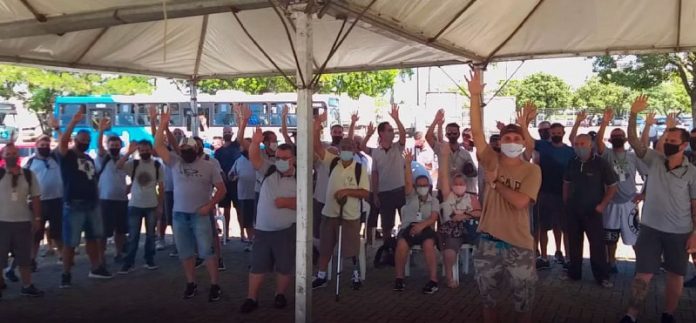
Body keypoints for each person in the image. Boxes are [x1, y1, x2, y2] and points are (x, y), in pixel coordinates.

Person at [468, 69, 541, 323]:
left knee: (523, 304)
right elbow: (477, 133)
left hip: (519, 246)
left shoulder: (532, 170)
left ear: (522, 143)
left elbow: (520, 202)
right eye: (505, 138)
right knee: (488, 301)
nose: (510, 141)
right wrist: (474, 97)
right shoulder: (492, 158)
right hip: (487, 242)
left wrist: (496, 182)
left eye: (515, 138)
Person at [621, 95, 696, 323]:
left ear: (684, 145)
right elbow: (634, 141)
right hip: (650, 229)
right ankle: (631, 314)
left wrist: (694, 234)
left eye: (673, 139)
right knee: (642, 274)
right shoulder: (654, 159)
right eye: (667, 138)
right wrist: (633, 114)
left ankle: (668, 313)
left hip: (680, 232)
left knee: (676, 274)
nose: (668, 142)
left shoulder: (692, 172)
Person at [154, 110, 226, 302]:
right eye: (183, 151)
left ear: (197, 150)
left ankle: (214, 285)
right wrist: (162, 124)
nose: (185, 154)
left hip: (200, 214)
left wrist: (210, 206)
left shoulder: (209, 165)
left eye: (189, 151)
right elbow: (158, 146)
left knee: (207, 251)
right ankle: (191, 283)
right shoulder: (175, 162)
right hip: (179, 215)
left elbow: (221, 189)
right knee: (185, 252)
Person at [240, 128, 297, 314]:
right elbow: (254, 158)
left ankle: (280, 294)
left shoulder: (302, 177)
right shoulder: (269, 169)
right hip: (263, 230)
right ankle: (252, 298)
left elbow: (306, 203)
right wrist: (255, 143)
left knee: (284, 265)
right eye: (278, 157)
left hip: (286, 230)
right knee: (257, 266)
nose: (280, 161)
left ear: (294, 159)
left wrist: (288, 203)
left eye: (285, 158)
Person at [311, 112, 370, 290]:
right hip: (330, 213)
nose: (345, 150)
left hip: (350, 215)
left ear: (354, 150)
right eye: (343, 147)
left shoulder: (359, 168)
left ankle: (355, 274)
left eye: (349, 147)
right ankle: (321, 275)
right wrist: (317, 126)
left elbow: (365, 192)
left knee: (351, 248)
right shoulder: (332, 161)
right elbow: (317, 146)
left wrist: (347, 191)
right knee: (326, 245)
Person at [58, 109, 112, 287]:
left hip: (92, 203)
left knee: (93, 238)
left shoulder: (88, 158)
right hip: (74, 204)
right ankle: (66, 273)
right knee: (70, 242)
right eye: (82, 141)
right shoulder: (67, 156)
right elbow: (63, 142)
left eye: (87, 142)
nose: (85, 143)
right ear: (75, 141)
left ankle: (96, 267)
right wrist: (73, 122)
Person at [595, 108, 647, 274]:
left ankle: (641, 264)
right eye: (614, 136)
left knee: (634, 235)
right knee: (610, 237)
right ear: (610, 139)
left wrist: (643, 194)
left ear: (625, 139)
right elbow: (598, 142)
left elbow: (648, 175)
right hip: (610, 202)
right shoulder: (607, 155)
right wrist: (604, 122)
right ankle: (611, 262)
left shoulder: (633, 156)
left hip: (629, 202)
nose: (617, 138)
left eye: (620, 135)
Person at [562, 134, 618, 288]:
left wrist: (602, 205)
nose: (579, 147)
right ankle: (574, 274)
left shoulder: (601, 163)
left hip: (593, 211)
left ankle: (602, 277)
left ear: (590, 145)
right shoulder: (572, 162)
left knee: (597, 246)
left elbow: (612, 187)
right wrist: (565, 201)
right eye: (576, 144)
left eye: (582, 144)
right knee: (574, 243)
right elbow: (566, 182)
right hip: (573, 210)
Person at [527, 117, 575, 269]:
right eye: (553, 132)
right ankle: (544, 257)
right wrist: (524, 122)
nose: (556, 134)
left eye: (559, 132)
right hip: (544, 193)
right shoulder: (542, 146)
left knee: (565, 227)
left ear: (563, 133)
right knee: (542, 227)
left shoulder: (570, 151)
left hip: (563, 194)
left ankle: (568, 258)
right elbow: (527, 140)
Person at [393, 149, 440, 294]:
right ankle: (399, 278)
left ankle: (433, 280)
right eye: (419, 185)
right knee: (401, 245)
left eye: (425, 185)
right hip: (408, 227)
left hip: (425, 228)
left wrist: (421, 226)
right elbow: (407, 181)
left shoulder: (434, 200)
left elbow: (433, 217)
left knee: (428, 245)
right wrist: (407, 163)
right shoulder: (410, 195)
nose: (422, 188)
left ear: (429, 186)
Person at [0, 143, 44, 298]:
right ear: (3, 155)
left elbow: (36, 197)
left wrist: (37, 218)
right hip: (2, 221)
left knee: (24, 256)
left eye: (13, 153)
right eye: (8, 153)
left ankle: (27, 285)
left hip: (23, 221)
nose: (11, 156)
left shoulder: (28, 174)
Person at [437, 142, 482, 288]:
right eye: (456, 183)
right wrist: (444, 157)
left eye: (461, 183)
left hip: (470, 228)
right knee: (450, 250)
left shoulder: (472, 197)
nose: (459, 185)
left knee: (484, 244)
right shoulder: (447, 195)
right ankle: (449, 276)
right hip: (453, 230)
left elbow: (479, 213)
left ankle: (484, 274)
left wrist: (465, 215)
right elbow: (443, 176)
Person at [361, 104, 407, 243]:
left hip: (400, 190)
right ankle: (388, 249)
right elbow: (363, 149)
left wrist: (396, 119)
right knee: (387, 225)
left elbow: (403, 135)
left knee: (406, 221)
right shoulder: (376, 152)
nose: (393, 132)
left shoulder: (397, 147)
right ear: (382, 133)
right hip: (384, 193)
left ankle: (405, 249)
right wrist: (375, 194)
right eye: (389, 130)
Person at [116, 140, 163, 273]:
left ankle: (149, 259)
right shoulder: (134, 163)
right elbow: (118, 166)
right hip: (135, 204)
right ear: (138, 151)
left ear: (151, 149)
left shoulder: (157, 165)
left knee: (150, 235)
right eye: (141, 150)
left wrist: (160, 206)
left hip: (151, 204)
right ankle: (129, 262)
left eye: (146, 149)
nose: (144, 152)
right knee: (133, 236)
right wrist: (128, 153)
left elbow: (162, 187)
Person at [25, 135, 64, 268]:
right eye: (41, 146)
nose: (44, 148)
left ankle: (63, 256)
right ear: (36, 146)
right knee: (36, 233)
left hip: (56, 201)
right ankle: (31, 259)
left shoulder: (56, 158)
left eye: (46, 146)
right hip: (38, 202)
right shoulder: (30, 163)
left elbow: (63, 142)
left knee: (57, 232)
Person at [95, 119, 128, 264]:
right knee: (103, 231)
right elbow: (99, 146)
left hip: (121, 199)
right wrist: (101, 130)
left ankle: (118, 252)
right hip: (105, 199)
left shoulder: (124, 159)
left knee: (120, 230)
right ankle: (101, 256)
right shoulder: (103, 157)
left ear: (120, 146)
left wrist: (129, 188)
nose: (114, 147)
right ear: (108, 146)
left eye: (116, 145)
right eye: (112, 145)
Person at [426, 109, 478, 198]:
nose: (452, 135)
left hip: (460, 191)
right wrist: (436, 120)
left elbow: (474, 173)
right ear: (446, 134)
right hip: (443, 190)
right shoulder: (441, 148)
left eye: (454, 133)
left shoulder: (465, 153)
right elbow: (428, 137)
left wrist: (469, 171)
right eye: (449, 133)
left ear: (458, 134)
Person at [214, 126, 241, 242]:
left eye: (229, 132)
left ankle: (242, 234)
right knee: (226, 210)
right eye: (225, 132)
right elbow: (217, 167)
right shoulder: (218, 152)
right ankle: (226, 234)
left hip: (236, 183)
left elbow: (241, 134)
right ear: (222, 134)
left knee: (240, 209)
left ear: (232, 133)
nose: (227, 134)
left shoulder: (236, 146)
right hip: (224, 183)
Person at [229, 139, 256, 251]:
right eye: (242, 147)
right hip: (244, 195)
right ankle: (251, 241)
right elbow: (230, 175)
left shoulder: (258, 159)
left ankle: (258, 242)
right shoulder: (238, 161)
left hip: (258, 195)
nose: (243, 148)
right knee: (247, 222)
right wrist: (232, 177)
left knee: (258, 221)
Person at [477, 134, 500, 204]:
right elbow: (481, 183)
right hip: (487, 199)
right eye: (494, 142)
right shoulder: (483, 161)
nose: (496, 144)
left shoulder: (507, 160)